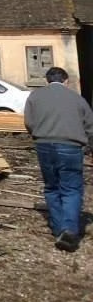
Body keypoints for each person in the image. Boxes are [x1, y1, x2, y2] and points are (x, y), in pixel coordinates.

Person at [23, 66, 93, 252]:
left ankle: (57, 228)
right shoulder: (77, 99)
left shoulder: (35, 97)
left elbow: (29, 122)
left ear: (46, 81)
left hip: (44, 145)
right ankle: (69, 230)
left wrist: (39, 135)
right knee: (71, 188)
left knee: (51, 186)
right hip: (70, 146)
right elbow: (90, 125)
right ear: (66, 81)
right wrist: (89, 145)